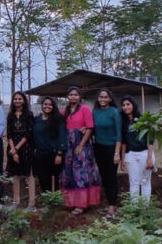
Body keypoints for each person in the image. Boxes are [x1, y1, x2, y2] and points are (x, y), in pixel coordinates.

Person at [59, 86, 100, 214]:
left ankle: (82, 204)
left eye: (75, 95)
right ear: (68, 96)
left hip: (82, 146)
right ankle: (70, 202)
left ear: (79, 96)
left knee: (81, 173)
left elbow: (89, 128)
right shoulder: (63, 111)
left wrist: (81, 145)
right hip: (68, 147)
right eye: (71, 95)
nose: (73, 97)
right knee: (68, 173)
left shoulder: (85, 109)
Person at [93, 89, 123, 218]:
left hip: (111, 148)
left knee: (111, 177)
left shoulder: (114, 112)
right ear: (98, 99)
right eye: (101, 97)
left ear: (110, 99)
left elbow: (119, 134)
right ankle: (110, 203)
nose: (103, 99)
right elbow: (92, 129)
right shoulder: (95, 112)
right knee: (103, 177)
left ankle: (112, 206)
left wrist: (117, 153)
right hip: (98, 148)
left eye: (105, 97)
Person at [121, 96, 155, 201]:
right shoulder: (124, 122)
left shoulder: (143, 120)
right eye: (123, 105)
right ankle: (134, 207)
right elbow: (124, 142)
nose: (125, 107)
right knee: (133, 181)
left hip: (144, 153)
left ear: (133, 105)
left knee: (145, 181)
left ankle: (145, 208)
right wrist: (123, 159)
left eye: (128, 104)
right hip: (130, 154)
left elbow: (150, 140)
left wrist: (149, 159)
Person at [6, 92, 36, 210]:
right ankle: (16, 202)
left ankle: (31, 204)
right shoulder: (10, 115)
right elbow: (9, 134)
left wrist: (17, 149)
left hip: (26, 147)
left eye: (20, 98)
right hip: (12, 147)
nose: (17, 101)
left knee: (29, 174)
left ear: (24, 100)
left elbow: (28, 133)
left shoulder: (29, 114)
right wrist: (13, 150)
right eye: (15, 99)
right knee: (15, 175)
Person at [32, 96, 67, 194]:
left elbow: (62, 136)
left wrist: (59, 154)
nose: (48, 106)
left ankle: (55, 200)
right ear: (42, 106)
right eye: (45, 104)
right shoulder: (36, 119)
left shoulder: (58, 119)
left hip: (54, 154)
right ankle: (47, 199)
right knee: (43, 178)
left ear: (53, 106)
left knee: (55, 178)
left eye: (50, 104)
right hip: (39, 154)